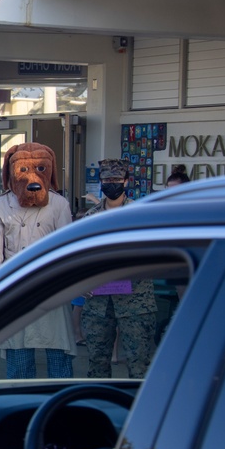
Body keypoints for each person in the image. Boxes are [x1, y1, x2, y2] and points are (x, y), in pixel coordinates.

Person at [0, 143, 75, 378]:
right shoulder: (0, 205)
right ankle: (20, 403)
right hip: (15, 288)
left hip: (50, 286)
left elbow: (66, 249)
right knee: (19, 354)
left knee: (58, 352)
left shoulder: (59, 204)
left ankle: (61, 406)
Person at [81, 158, 158, 379]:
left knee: (138, 366)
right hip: (99, 304)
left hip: (135, 304)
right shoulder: (90, 217)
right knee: (97, 365)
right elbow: (82, 257)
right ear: (101, 182)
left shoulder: (141, 215)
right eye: (107, 180)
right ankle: (99, 409)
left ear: (126, 182)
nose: (111, 184)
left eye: (116, 179)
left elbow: (152, 255)